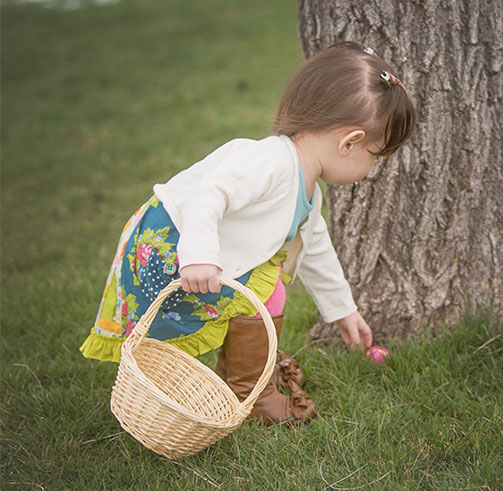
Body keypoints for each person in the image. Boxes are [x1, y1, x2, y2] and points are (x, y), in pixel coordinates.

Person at [79, 41, 417, 426]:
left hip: (200, 249)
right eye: (374, 156)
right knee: (264, 285)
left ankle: (249, 384)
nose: (371, 168)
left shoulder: (308, 188)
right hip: (173, 243)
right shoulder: (269, 161)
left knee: (268, 285)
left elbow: (317, 248)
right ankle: (252, 391)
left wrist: (342, 310)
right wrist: (200, 254)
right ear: (349, 142)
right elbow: (210, 193)